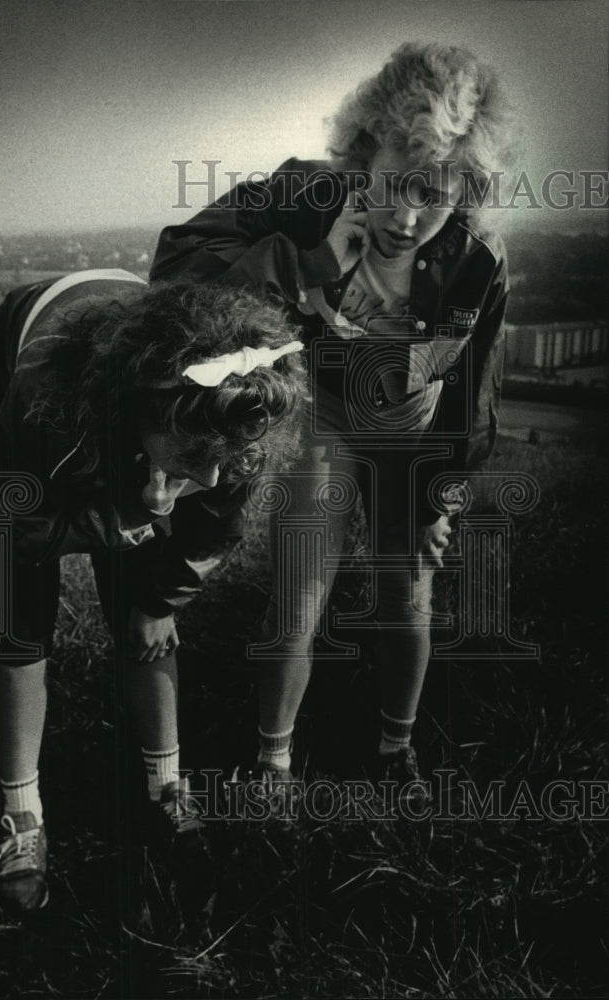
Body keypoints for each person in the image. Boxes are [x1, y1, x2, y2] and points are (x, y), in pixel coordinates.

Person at [150, 43, 514, 806]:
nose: (406, 218)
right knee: (298, 594)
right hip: (325, 414)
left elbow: (474, 393)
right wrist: (306, 258)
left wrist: (437, 500)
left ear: (466, 192)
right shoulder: (303, 194)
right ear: (361, 153)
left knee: (406, 590)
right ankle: (272, 768)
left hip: (412, 437)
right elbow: (178, 264)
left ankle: (394, 751)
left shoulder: (481, 259)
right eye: (391, 185)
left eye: (434, 196)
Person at [0, 269, 306, 912]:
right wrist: (126, 519)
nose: (209, 473)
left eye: (222, 461)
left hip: (135, 405)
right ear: (150, 403)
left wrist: (158, 601)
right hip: (34, 384)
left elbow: (215, 530)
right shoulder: (44, 399)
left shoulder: (233, 419)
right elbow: (9, 525)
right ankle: (21, 813)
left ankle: (167, 788)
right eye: (192, 454)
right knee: (18, 625)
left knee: (145, 622)